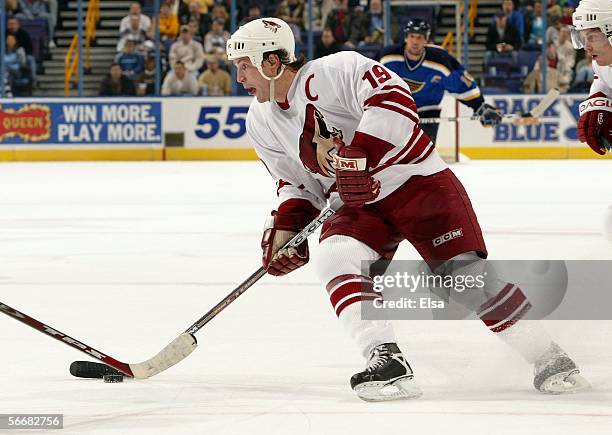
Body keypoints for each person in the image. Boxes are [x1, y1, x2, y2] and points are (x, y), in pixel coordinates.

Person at [226, 17, 589, 402]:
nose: (240, 77)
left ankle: (549, 356)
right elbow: (295, 183)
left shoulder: (337, 69)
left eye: (244, 65)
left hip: (416, 182)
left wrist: (360, 154)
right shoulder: (260, 120)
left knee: (464, 277)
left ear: (271, 62)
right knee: (335, 255)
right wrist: (288, 225)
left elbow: (394, 99)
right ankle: (386, 359)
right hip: (358, 201)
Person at [379, 19, 501, 145]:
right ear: (405, 38)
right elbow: (367, 79)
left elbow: (461, 84)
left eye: (420, 37)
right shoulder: (387, 57)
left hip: (427, 111)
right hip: (397, 110)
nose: (415, 41)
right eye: (412, 36)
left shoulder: (440, 60)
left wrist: (479, 106)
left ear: (426, 40)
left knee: (423, 158)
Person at [571, 0, 612, 244]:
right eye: (582, 37)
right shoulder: (602, 59)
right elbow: (603, 78)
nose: (586, 47)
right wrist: (597, 99)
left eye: (592, 36)